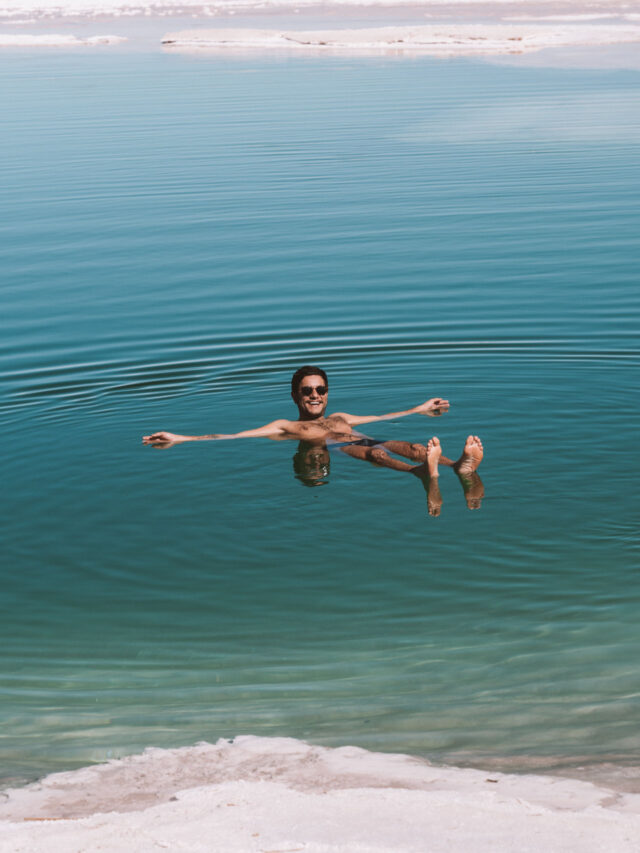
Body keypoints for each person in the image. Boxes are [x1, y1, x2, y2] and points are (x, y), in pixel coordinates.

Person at [143, 365, 483, 510]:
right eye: (307, 391)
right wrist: (181, 438)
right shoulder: (287, 427)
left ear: (328, 392)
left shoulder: (342, 417)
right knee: (379, 457)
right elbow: (234, 435)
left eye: (320, 389)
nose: (315, 395)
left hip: (363, 436)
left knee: (412, 447)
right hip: (342, 447)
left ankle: (458, 467)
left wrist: (419, 408)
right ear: (295, 395)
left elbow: (382, 417)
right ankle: (421, 473)